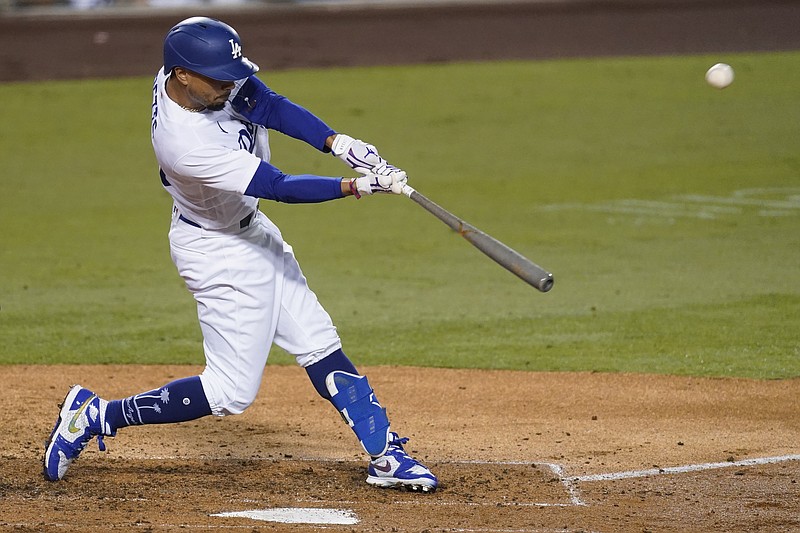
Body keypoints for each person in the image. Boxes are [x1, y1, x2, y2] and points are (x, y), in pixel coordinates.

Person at [43, 16, 437, 493]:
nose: (232, 86)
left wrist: (338, 143)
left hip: (251, 231)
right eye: (220, 78)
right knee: (229, 392)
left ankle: (385, 455)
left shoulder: (198, 77)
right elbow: (278, 186)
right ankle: (95, 415)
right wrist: (357, 185)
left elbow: (266, 103)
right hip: (217, 250)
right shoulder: (183, 143)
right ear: (183, 75)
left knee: (319, 342)